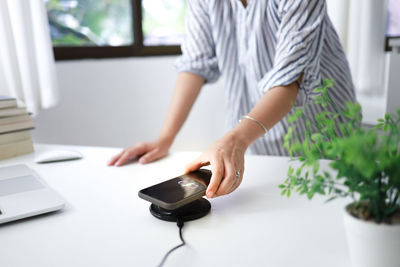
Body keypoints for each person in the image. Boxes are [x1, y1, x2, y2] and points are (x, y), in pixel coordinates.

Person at [108, 0, 356, 199]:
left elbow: (289, 79)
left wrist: (235, 139)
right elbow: (196, 63)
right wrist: (165, 138)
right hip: (254, 138)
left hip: (321, 132)